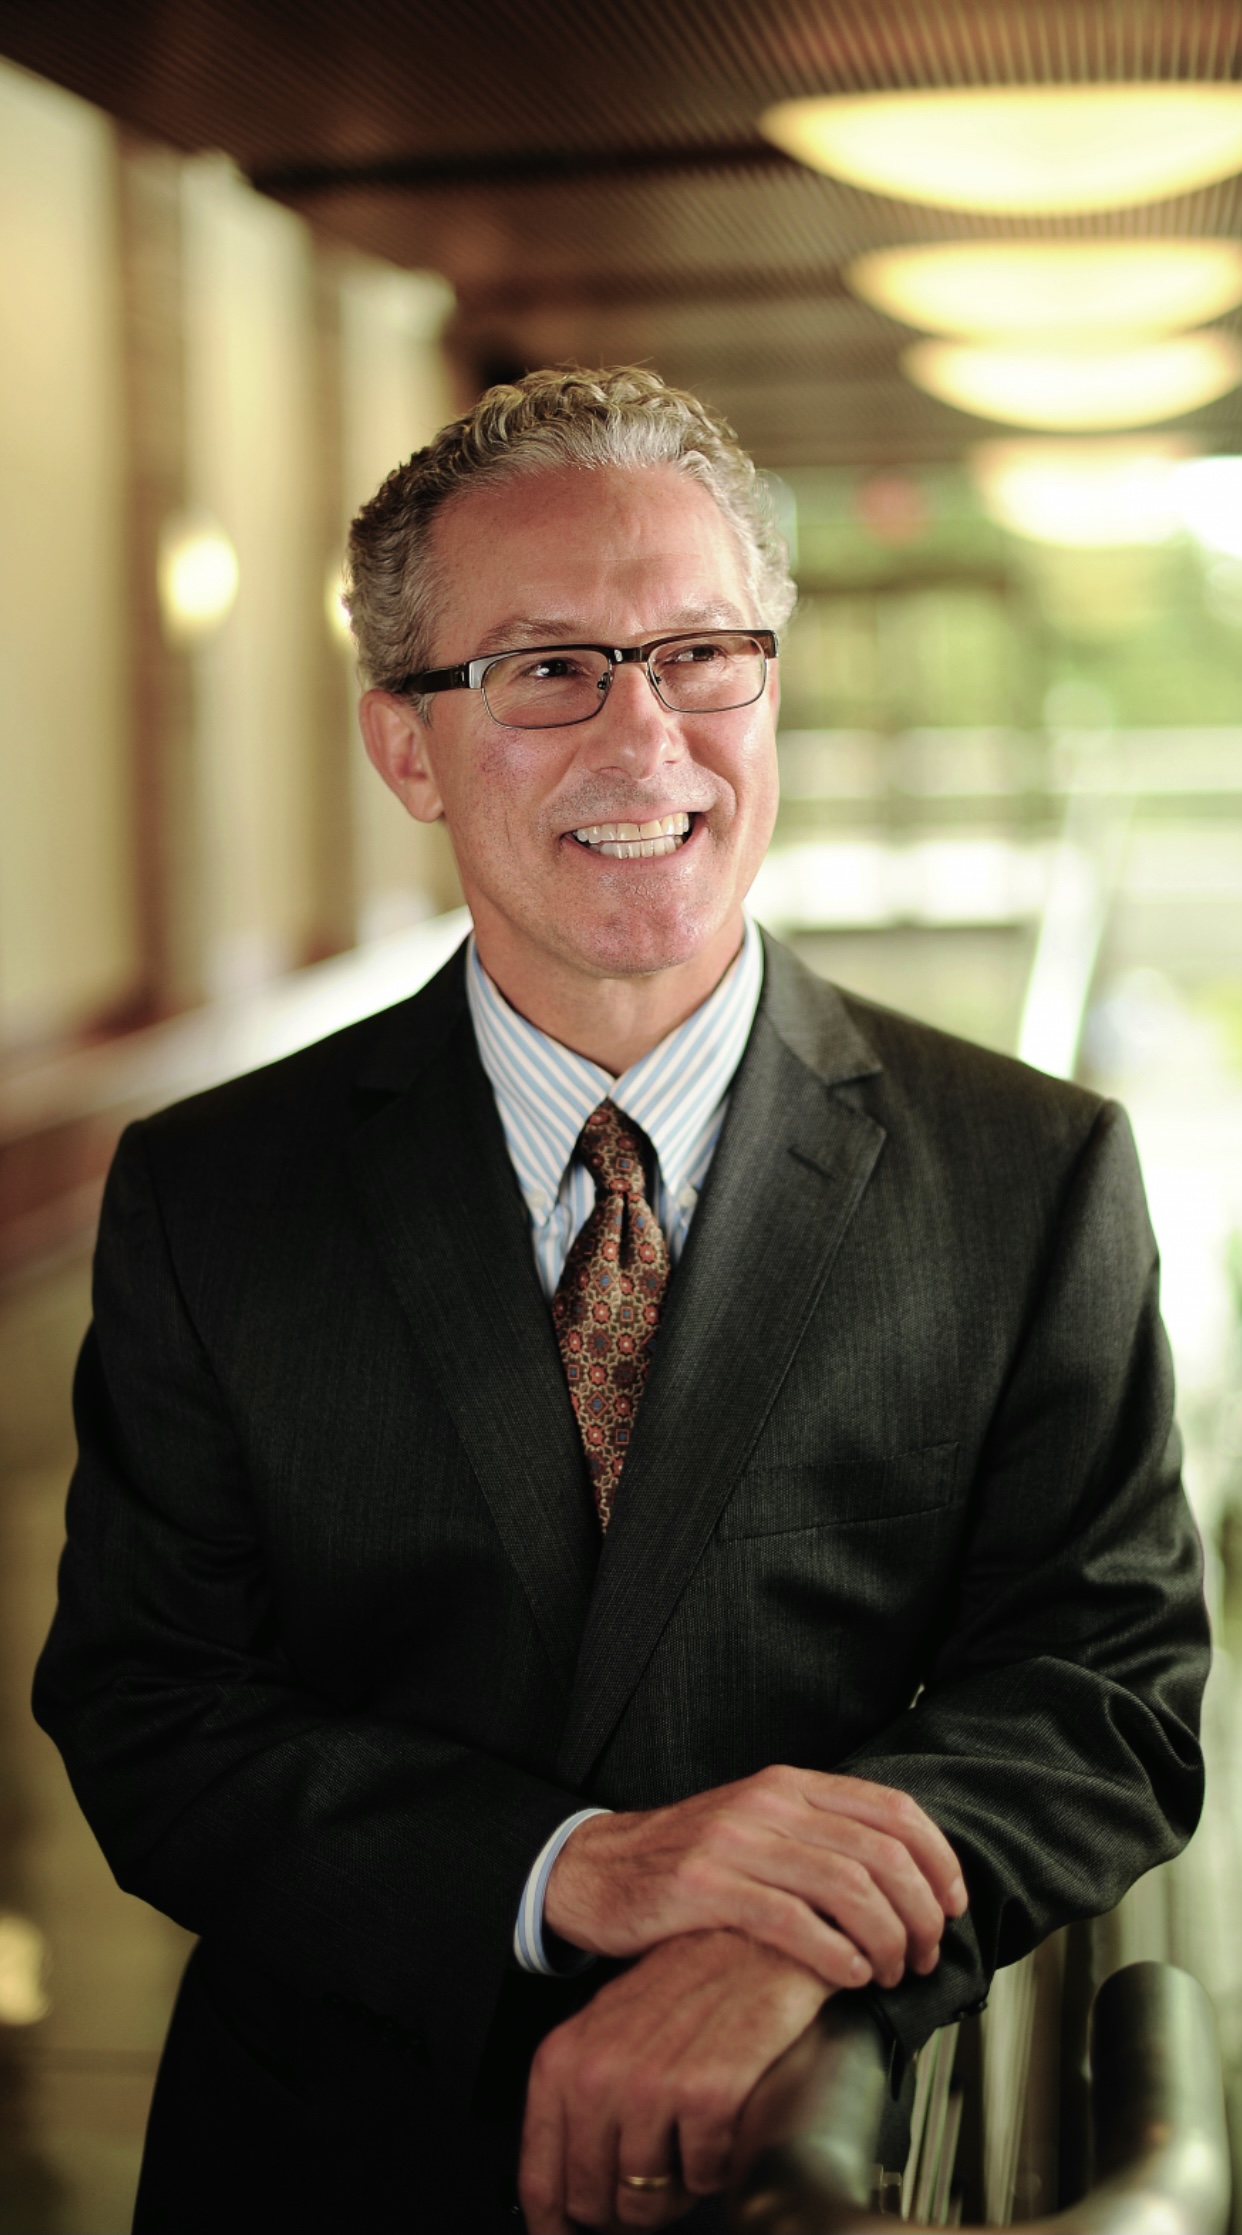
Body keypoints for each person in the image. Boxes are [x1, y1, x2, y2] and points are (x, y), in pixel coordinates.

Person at [34, 366, 1208, 2235]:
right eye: (546, 669)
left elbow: (1103, 1697)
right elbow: (152, 1710)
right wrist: (583, 1870)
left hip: (817, 2157)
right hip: (330, 2160)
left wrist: (790, 1954)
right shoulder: (214, 1196)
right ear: (407, 745)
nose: (644, 738)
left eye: (700, 655)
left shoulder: (1027, 1170)